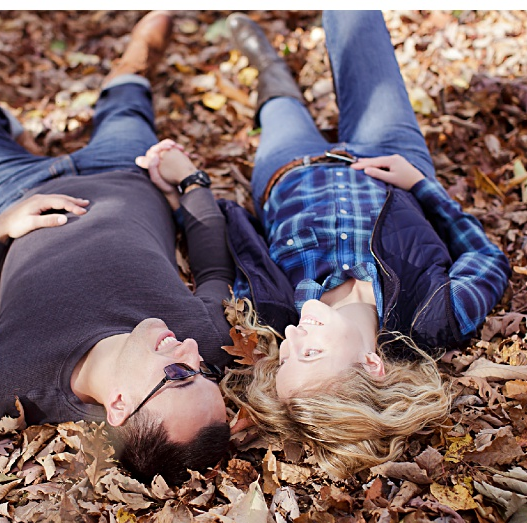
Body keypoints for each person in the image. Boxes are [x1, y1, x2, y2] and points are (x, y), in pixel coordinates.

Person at [0, 11, 236, 485]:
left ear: (118, 404)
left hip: (7, 193)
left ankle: (2, 128)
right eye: (205, 371)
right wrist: (191, 182)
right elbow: (215, 270)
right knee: (130, 87)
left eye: (181, 375)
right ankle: (134, 57)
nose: (193, 350)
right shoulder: (200, 339)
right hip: (125, 168)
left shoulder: (13, 385)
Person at [215, 11, 511, 479]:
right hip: (389, 153)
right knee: (357, 18)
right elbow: (488, 259)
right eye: (309, 353)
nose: (292, 337)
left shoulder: (273, 310)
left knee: (278, 102)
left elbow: (241, 245)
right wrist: (421, 186)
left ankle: (267, 65)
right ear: (372, 364)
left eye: (286, 355)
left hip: (287, 168)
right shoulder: (435, 314)